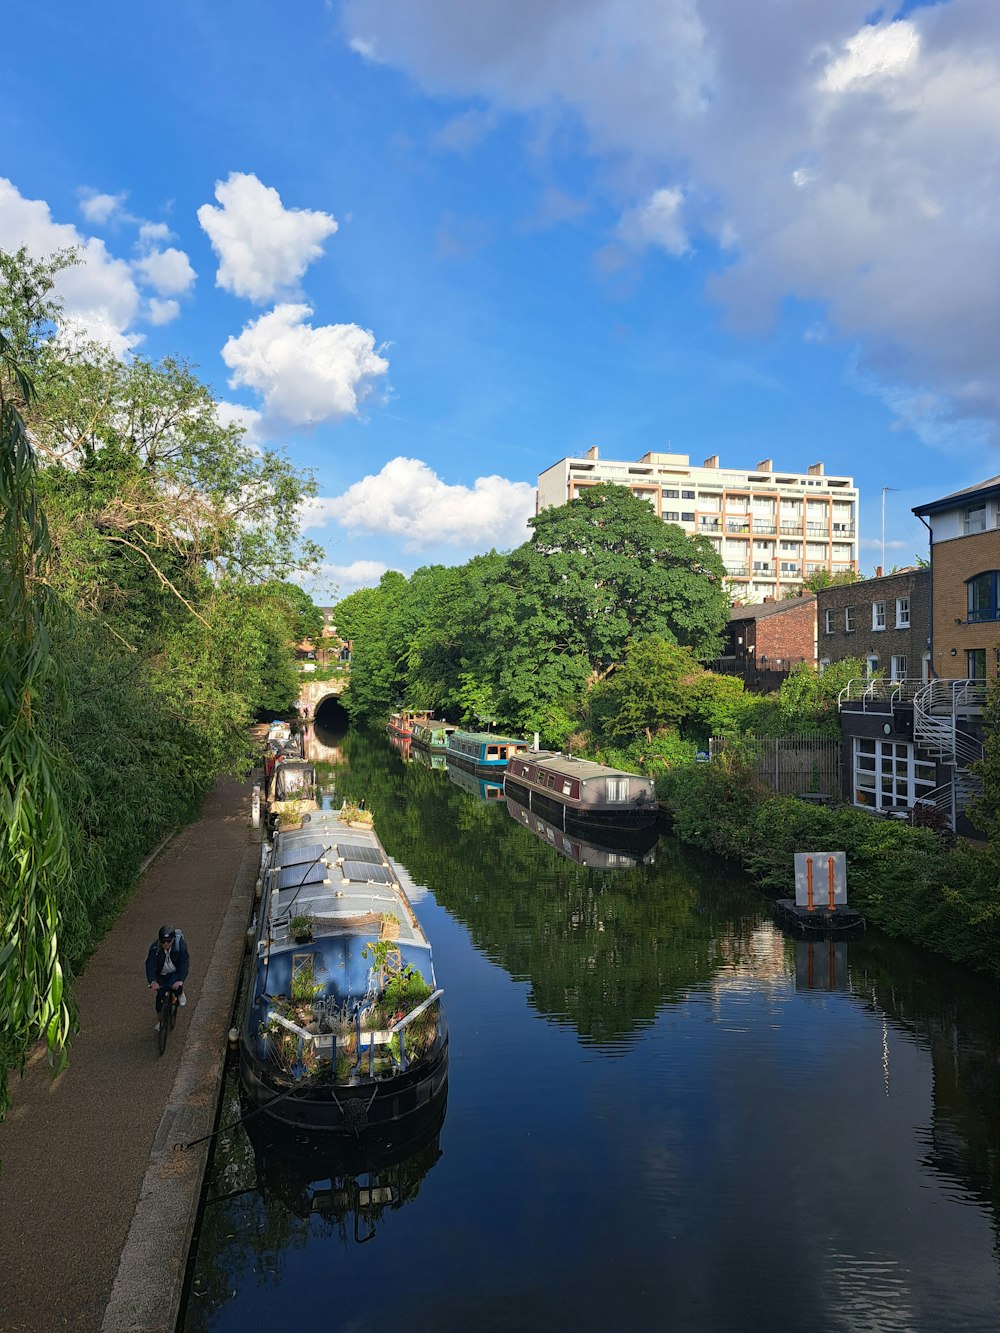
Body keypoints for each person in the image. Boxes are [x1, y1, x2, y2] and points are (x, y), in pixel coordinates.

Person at [145, 926, 189, 1028]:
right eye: (163, 941)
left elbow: (184, 963)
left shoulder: (180, 946)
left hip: (175, 972)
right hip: (161, 974)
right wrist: (152, 981)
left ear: (173, 940)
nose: (166, 944)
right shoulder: (155, 949)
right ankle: (160, 1020)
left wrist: (180, 980)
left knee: (175, 986)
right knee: (159, 998)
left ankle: (180, 993)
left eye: (168, 941)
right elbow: (150, 965)